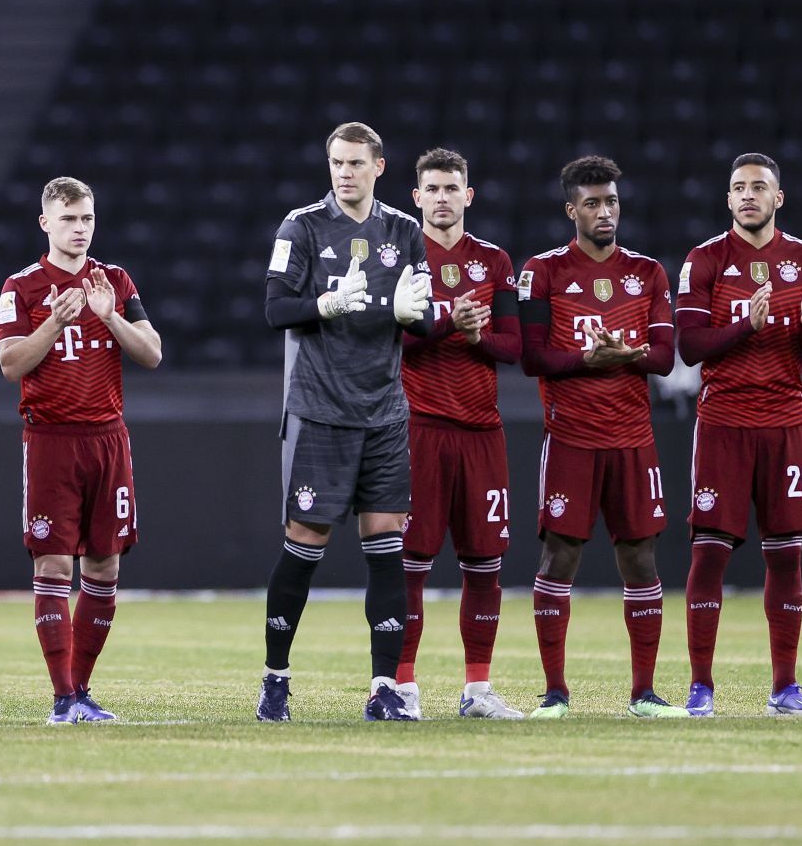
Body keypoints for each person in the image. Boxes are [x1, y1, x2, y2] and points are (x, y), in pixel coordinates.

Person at [258, 121, 435, 723]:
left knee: (386, 546)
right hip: (321, 411)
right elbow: (275, 308)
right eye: (336, 162)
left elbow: (428, 317)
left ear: (378, 167)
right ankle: (275, 679)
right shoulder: (301, 225)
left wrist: (415, 315)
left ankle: (384, 687)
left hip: (384, 412)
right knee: (306, 541)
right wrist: (322, 305)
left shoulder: (404, 231)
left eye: (356, 163)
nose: (344, 172)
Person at [518, 154, 687, 719]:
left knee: (640, 559)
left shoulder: (648, 273)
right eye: (592, 203)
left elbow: (665, 358)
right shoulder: (544, 271)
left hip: (633, 440)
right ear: (572, 210)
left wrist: (630, 354)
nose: (604, 211)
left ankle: (643, 693)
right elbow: (533, 357)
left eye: (611, 200)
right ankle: (555, 692)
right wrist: (589, 359)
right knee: (558, 557)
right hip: (570, 438)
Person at [674, 153, 802, 717]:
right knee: (709, 555)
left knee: (786, 557)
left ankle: (785, 688)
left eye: (758, 187)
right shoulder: (705, 260)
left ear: (778, 198)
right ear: (728, 200)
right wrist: (747, 325)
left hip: (786, 420)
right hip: (724, 421)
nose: (748, 195)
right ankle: (700, 687)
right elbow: (690, 346)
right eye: (738, 187)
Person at [0, 177, 162, 723]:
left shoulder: (114, 280)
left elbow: (152, 353)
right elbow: (11, 364)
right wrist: (55, 320)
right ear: (46, 223)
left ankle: (81, 692)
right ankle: (62, 695)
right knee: (51, 561)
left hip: (107, 438)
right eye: (69, 219)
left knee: (105, 563)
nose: (80, 229)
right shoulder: (20, 286)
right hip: (50, 438)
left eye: (87, 219)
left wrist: (110, 315)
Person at [395, 148, 524, 720]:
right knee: (411, 562)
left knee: (485, 562)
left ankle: (477, 689)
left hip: (481, 430)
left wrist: (475, 337)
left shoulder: (494, 262)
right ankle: (402, 686)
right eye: (433, 189)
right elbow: (391, 340)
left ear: (468, 196)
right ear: (416, 197)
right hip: (418, 428)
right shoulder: (401, 257)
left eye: (453, 188)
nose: (443, 198)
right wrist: (452, 322)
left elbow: (515, 348)